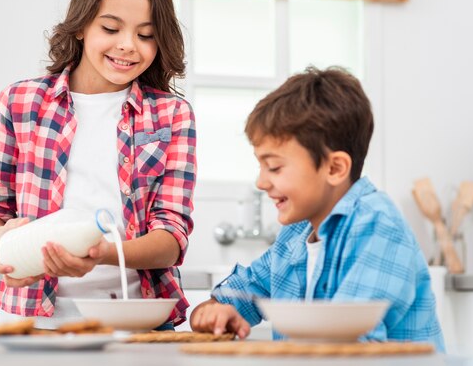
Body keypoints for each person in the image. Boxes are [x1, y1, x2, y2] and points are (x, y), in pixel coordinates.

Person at [0, 0, 196, 329]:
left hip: (138, 322)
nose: (128, 45)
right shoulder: (19, 103)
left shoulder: (172, 115)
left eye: (146, 35)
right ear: (80, 26)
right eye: (110, 29)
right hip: (35, 321)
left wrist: (101, 254)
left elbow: (172, 237)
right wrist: (6, 244)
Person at [190, 66, 445, 351]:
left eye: (274, 167)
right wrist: (216, 311)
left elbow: (349, 345)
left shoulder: (377, 226)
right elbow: (243, 292)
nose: (261, 182)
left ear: (334, 168)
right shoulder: (296, 234)